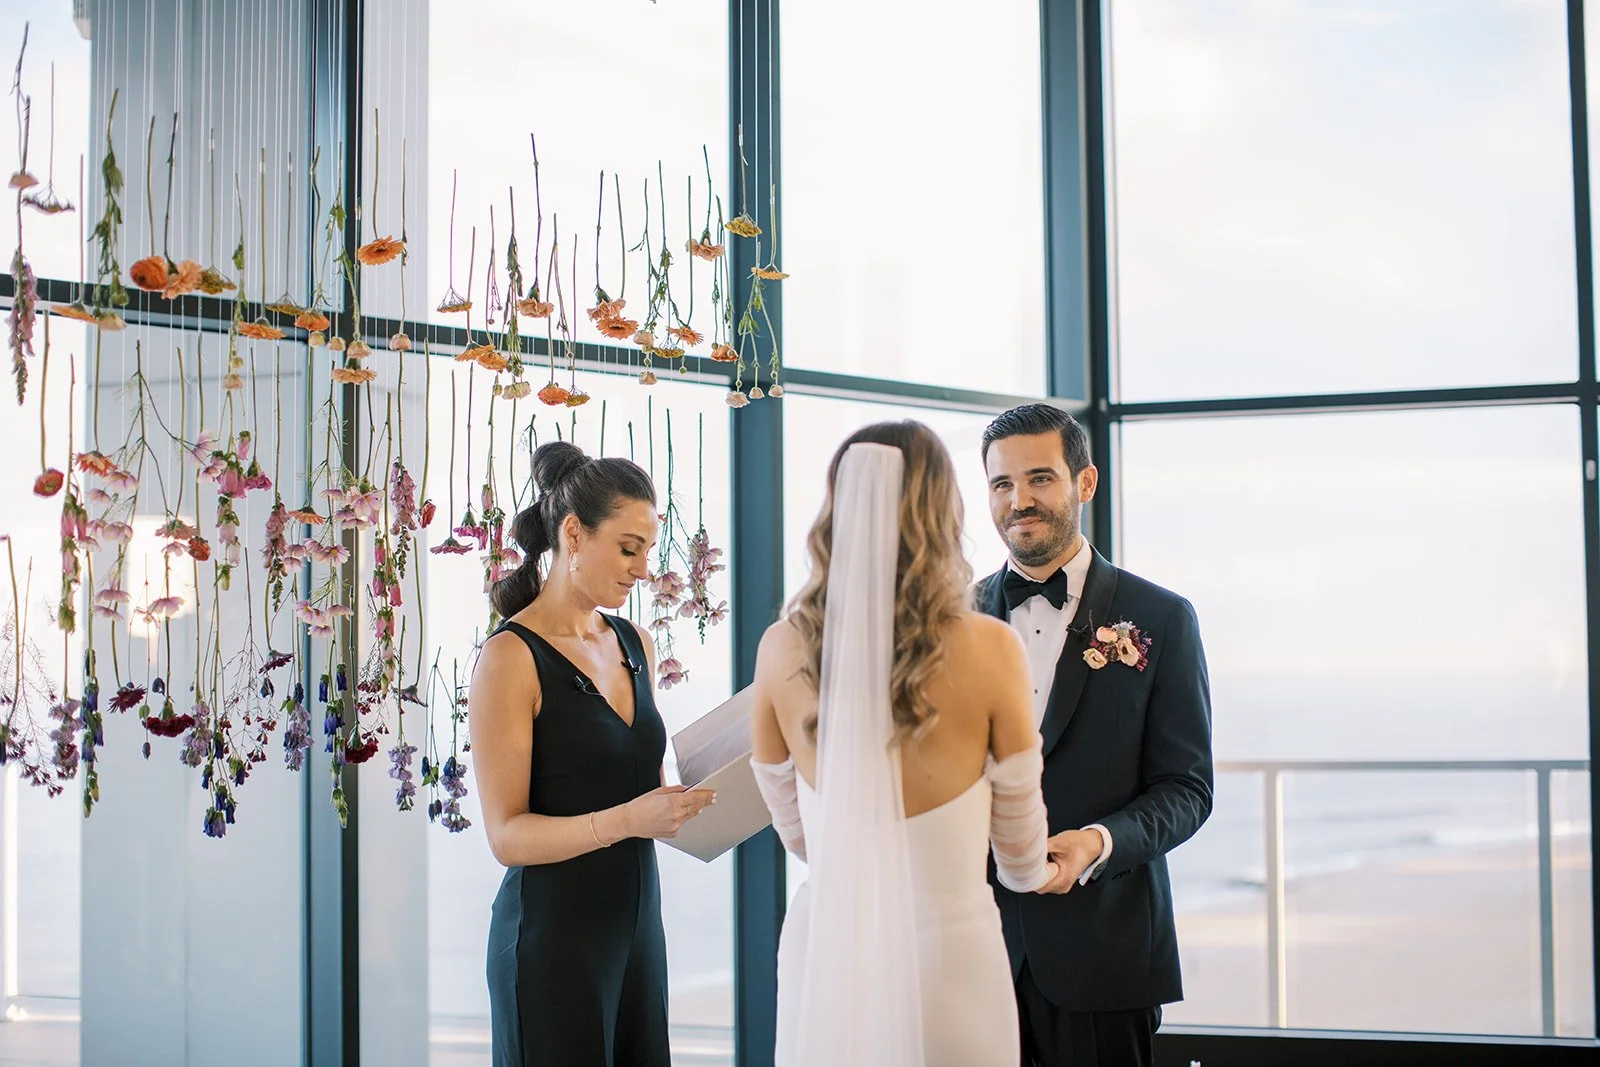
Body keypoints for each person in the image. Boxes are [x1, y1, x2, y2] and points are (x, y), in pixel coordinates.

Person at [750, 420, 1059, 1067]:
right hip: (948, 959)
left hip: (829, 949)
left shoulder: (780, 649)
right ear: (942, 512)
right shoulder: (992, 648)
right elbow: (1020, 858)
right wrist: (1048, 868)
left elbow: (802, 836)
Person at [978, 403, 1213, 1067]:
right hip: (974, 954)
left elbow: (1187, 787)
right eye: (1002, 484)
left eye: (1040, 478)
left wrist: (1098, 842)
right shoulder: (953, 620)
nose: (1019, 500)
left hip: (1106, 954)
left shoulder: (1161, 618)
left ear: (1085, 482)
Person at [468, 441, 715, 1067]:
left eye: (649, 553)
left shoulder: (635, 643)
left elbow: (642, 785)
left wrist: (704, 797)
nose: (642, 569)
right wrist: (627, 822)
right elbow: (506, 836)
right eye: (627, 549)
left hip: (637, 931)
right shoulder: (510, 658)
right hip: (552, 941)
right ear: (573, 534)